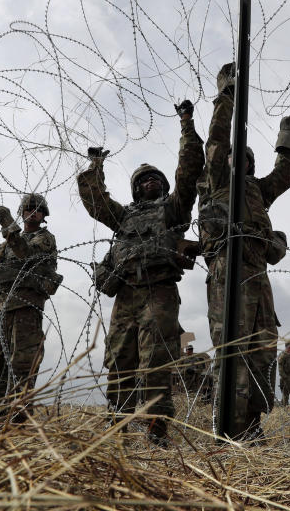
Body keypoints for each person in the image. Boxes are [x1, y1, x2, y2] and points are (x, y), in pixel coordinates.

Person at [77, 100, 204, 446]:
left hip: (159, 292)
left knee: (156, 361)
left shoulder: (173, 210)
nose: (150, 182)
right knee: (119, 360)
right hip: (126, 294)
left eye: (155, 179)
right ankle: (117, 425)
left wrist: (187, 125)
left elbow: (189, 170)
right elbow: (95, 201)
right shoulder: (125, 217)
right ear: (135, 189)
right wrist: (95, 165)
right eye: (143, 179)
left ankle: (156, 429)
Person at [198, 62, 290, 440]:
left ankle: (252, 425)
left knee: (261, 349)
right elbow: (215, 141)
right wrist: (227, 95)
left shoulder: (257, 190)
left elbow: (284, 175)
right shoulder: (215, 184)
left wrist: (287, 137)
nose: (237, 161)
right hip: (228, 272)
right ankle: (228, 426)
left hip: (259, 276)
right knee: (231, 347)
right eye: (232, 157)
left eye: (245, 159)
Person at [0, 193, 61, 422]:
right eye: (28, 207)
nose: (32, 211)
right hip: (4, 307)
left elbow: (25, 253)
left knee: (22, 364)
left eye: (37, 209)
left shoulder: (45, 239)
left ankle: (18, 420)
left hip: (27, 306)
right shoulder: (6, 244)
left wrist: (7, 221)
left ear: (44, 215)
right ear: (22, 211)